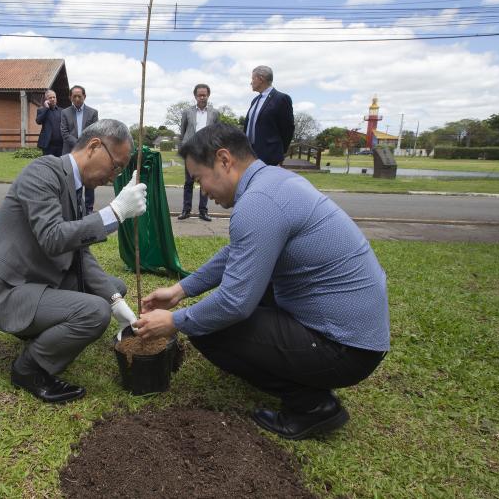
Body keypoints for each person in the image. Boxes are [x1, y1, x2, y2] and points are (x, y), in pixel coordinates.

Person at [134, 123, 389, 440]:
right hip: (355, 335)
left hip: (344, 348)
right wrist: (180, 290)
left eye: (200, 179)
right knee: (224, 307)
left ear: (224, 160)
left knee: (209, 328)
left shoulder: (258, 202)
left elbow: (234, 303)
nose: (204, 193)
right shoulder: (273, 182)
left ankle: (312, 406)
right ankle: (296, 373)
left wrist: (175, 321)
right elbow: (237, 252)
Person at [0, 119, 147, 404]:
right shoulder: (43, 172)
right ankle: (29, 369)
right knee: (94, 312)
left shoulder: (74, 186)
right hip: (7, 289)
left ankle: (44, 330)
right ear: (94, 146)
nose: (114, 178)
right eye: (116, 167)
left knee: (113, 288)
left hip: (34, 279)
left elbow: (79, 251)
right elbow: (52, 237)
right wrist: (114, 213)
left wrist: (115, 300)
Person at [178, 83, 219, 222]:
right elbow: (183, 132)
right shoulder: (187, 112)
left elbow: (216, 132)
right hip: (191, 151)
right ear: (195, 96)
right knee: (188, 182)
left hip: (206, 152)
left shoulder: (214, 113)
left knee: (204, 182)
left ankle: (203, 211)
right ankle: (186, 210)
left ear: (208, 95)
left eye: (205, 94)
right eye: (200, 95)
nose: (202, 97)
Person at [243, 65, 295, 166]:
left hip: (270, 156)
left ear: (261, 79)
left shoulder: (281, 99)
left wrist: (279, 151)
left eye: (253, 79)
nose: (251, 82)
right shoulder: (255, 101)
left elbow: (288, 129)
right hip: (250, 155)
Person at [61, 85, 99, 214]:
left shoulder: (93, 113)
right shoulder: (65, 113)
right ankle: (75, 210)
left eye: (79, 96)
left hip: (88, 153)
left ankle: (88, 210)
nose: (77, 99)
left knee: (89, 181)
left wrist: (85, 145)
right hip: (71, 153)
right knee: (72, 182)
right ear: (70, 97)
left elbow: (95, 132)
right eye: (74, 96)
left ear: (84, 97)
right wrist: (79, 144)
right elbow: (64, 133)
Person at [36, 90, 63, 157]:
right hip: (48, 145)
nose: (52, 99)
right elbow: (38, 121)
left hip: (61, 145)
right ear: (46, 100)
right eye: (50, 98)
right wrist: (46, 108)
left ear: (56, 98)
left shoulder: (62, 111)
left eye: (54, 97)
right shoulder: (41, 110)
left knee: (60, 164)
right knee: (48, 165)